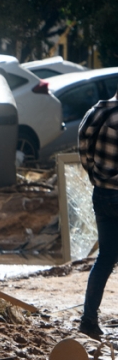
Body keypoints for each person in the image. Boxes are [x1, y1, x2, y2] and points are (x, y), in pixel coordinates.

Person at [77, 89, 118, 339]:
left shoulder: (96, 111)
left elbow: (83, 151)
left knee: (105, 258)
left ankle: (88, 319)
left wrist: (96, 176)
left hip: (101, 193)